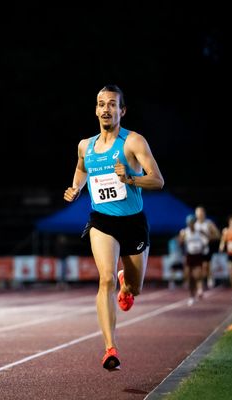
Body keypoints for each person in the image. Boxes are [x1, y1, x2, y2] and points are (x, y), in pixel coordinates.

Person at [63, 84, 164, 371]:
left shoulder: (133, 142)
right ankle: (110, 348)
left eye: (111, 104)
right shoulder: (86, 145)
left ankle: (126, 286)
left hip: (133, 222)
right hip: (102, 221)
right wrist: (75, 188)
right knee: (104, 279)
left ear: (122, 110)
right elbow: (82, 167)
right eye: (100, 103)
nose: (105, 109)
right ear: (95, 109)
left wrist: (130, 179)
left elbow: (157, 180)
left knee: (136, 287)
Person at [178, 214, 207, 306]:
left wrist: (203, 246)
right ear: (187, 224)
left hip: (198, 255)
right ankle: (191, 296)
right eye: (189, 223)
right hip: (189, 256)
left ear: (194, 223)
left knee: (197, 274)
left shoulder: (199, 232)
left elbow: (207, 239)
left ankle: (200, 290)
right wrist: (181, 239)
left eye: (192, 223)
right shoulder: (185, 232)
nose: (190, 224)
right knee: (190, 277)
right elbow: (180, 243)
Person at [193, 205, 220, 289]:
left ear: (204, 214)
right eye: (198, 213)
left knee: (206, 266)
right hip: (196, 249)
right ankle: (200, 284)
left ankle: (209, 278)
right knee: (198, 268)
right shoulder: (194, 225)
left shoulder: (208, 223)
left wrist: (208, 236)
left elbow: (218, 235)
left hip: (206, 248)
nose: (199, 215)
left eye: (201, 213)